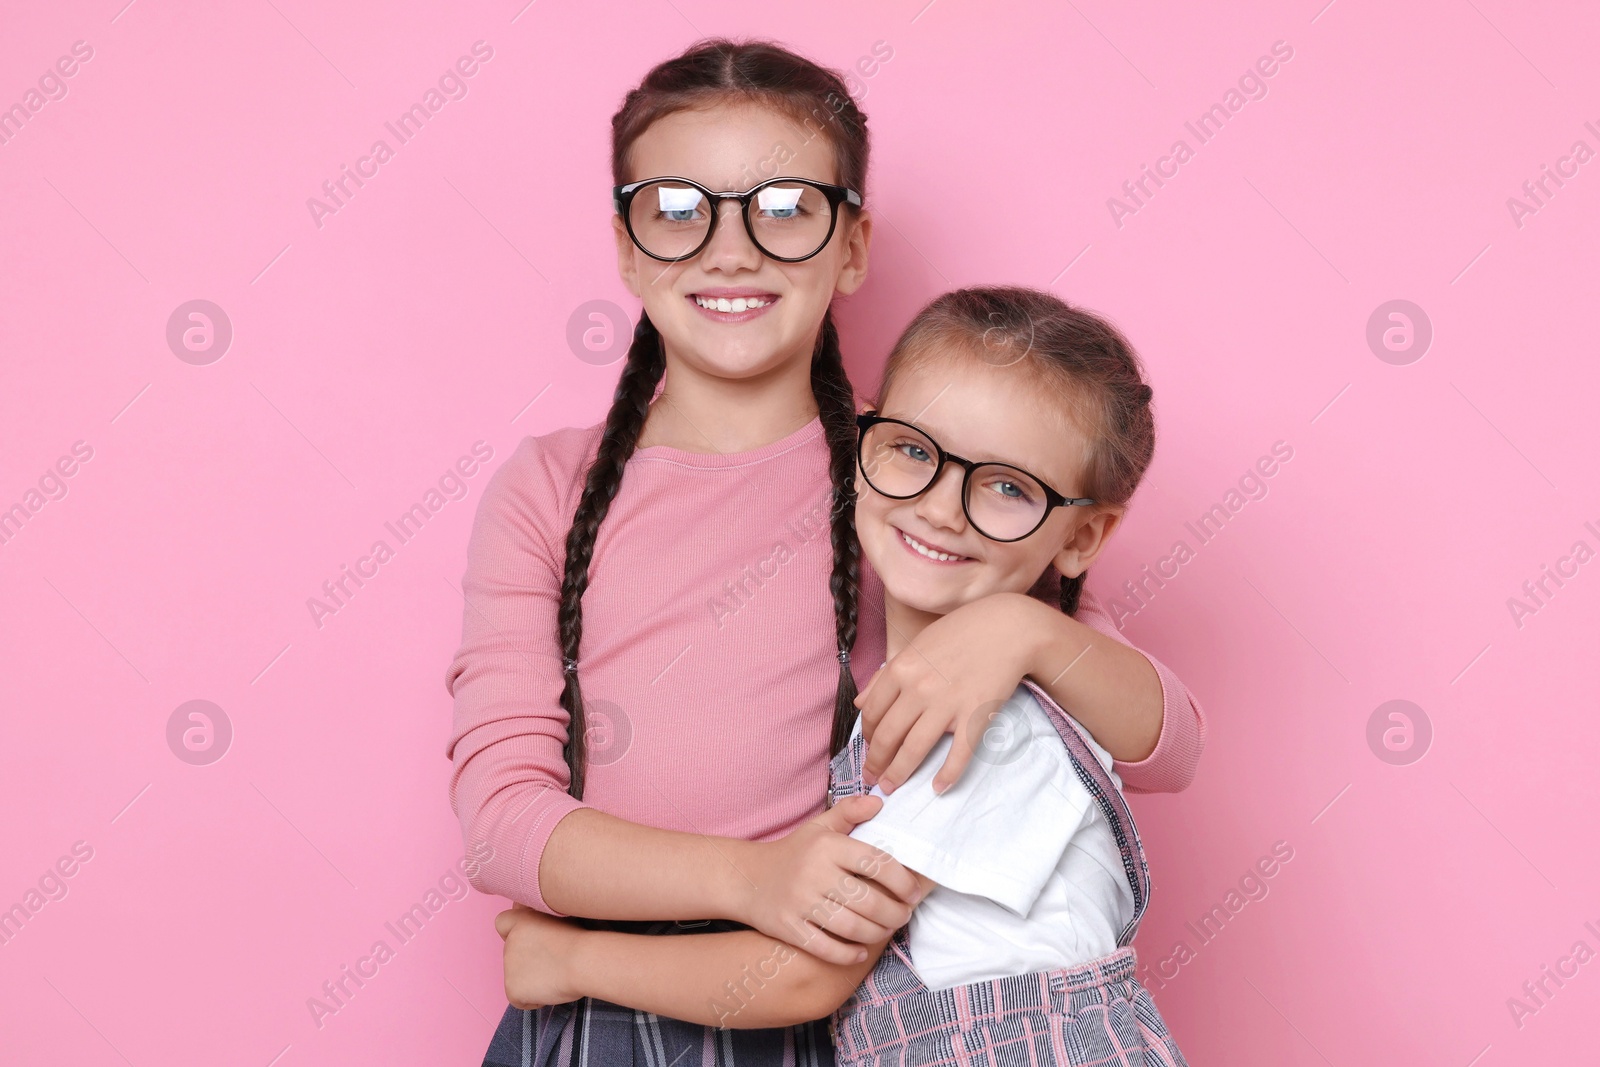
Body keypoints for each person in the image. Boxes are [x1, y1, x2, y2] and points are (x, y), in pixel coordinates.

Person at [445, 37, 1205, 1066]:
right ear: (626, 245)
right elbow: (501, 823)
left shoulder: (916, 487)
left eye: (785, 207)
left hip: (824, 1017)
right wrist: (746, 879)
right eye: (677, 208)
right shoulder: (550, 487)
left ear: (852, 245)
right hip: (596, 1011)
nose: (731, 249)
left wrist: (1020, 628)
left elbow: (1167, 745)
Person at [494, 286, 1189, 1065]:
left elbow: (808, 977)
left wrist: (570, 961)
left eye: (1007, 486)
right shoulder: (924, 693)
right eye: (916, 451)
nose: (941, 509)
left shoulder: (984, 726)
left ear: (1082, 533)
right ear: (862, 446)